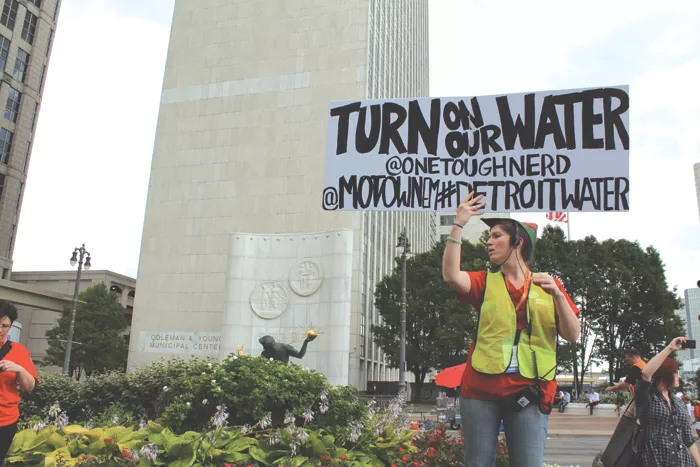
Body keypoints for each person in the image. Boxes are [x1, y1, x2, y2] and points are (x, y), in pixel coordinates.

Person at [442, 192, 581, 467]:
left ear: (517, 242)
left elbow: (572, 334)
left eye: (496, 236)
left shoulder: (549, 286)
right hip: (480, 391)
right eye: (489, 237)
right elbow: (451, 275)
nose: (488, 243)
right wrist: (458, 224)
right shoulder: (484, 281)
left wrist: (559, 297)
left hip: (531, 391)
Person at [635, 337, 700, 466]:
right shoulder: (647, 396)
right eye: (675, 373)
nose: (679, 376)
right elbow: (646, 373)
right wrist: (670, 348)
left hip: (683, 461)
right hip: (656, 459)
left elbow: (688, 439)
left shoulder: (678, 402)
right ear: (664, 375)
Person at [0, 301, 38, 464]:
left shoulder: (18, 350)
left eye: (4, 326)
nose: (0, 330)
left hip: (5, 421)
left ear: (10, 327)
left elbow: (29, 387)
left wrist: (19, 369)